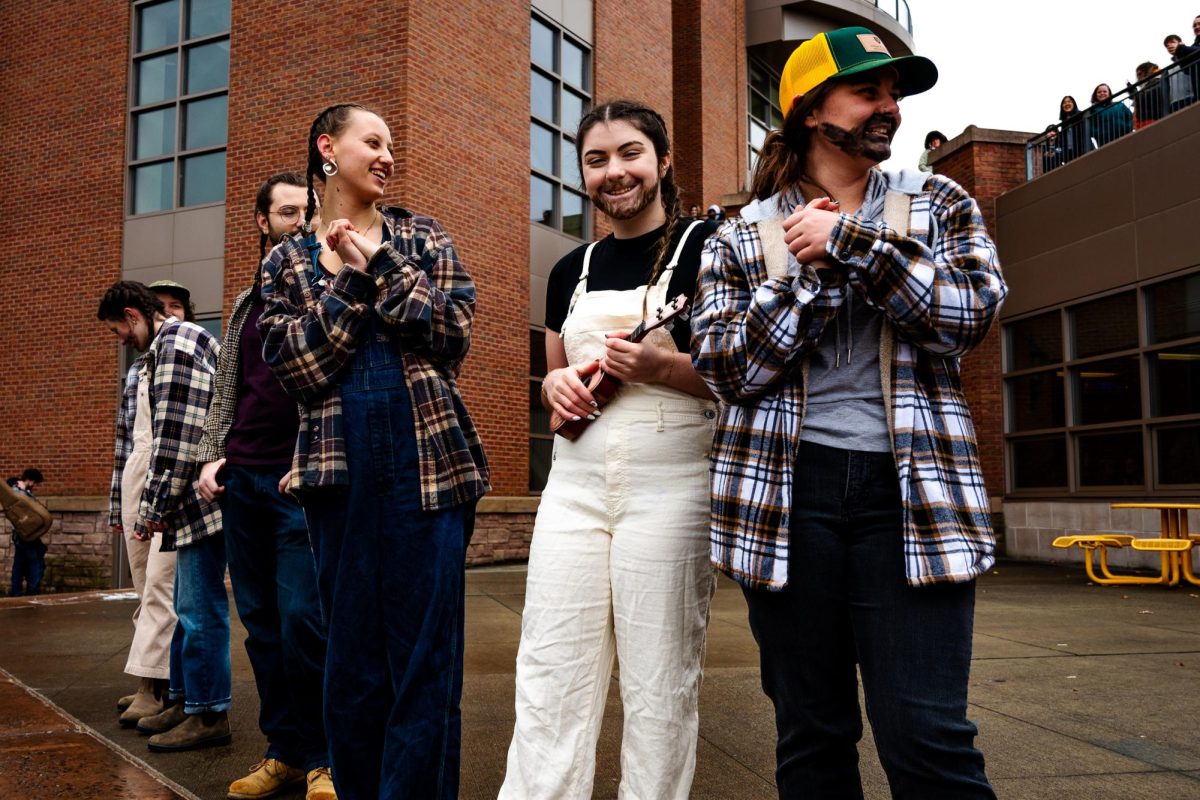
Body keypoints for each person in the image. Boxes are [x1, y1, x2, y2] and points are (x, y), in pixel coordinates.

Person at [691, 26, 1004, 799]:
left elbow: (968, 316)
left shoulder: (939, 202)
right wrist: (808, 275)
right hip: (786, 502)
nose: (889, 108)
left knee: (928, 737)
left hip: (913, 497)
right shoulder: (738, 234)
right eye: (868, 91)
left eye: (893, 93)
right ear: (806, 111)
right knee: (812, 736)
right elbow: (728, 369)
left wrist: (855, 242)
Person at [259, 103, 489, 800]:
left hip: (432, 469)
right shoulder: (287, 262)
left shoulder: (421, 237)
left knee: (426, 663)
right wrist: (355, 282)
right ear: (329, 148)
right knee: (352, 664)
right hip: (338, 477)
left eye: (393, 144)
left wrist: (383, 263)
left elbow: (452, 336)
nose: (388, 155)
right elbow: (298, 368)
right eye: (373, 141)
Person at [499, 100, 719, 800]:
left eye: (629, 153)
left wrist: (660, 369)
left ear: (662, 163)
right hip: (574, 490)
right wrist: (555, 386)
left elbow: (742, 375)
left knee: (659, 681)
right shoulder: (571, 269)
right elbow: (555, 375)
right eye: (596, 160)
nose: (614, 172)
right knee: (549, 668)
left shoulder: (709, 250)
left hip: (672, 487)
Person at [196, 172, 335, 800]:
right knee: (261, 625)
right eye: (286, 212)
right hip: (242, 480)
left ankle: (325, 757)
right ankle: (283, 751)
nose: (299, 221)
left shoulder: (322, 291)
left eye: (306, 212)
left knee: (306, 620)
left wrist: (311, 460)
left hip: (295, 483)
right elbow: (230, 386)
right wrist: (210, 455)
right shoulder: (247, 301)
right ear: (262, 221)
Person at [98, 281, 227, 751]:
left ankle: (188, 701)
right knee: (164, 593)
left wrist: (154, 508)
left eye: (119, 331)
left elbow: (178, 436)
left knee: (180, 598)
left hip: (186, 490)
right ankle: (178, 693)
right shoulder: (148, 360)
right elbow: (128, 443)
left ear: (133, 315)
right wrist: (124, 504)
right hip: (157, 480)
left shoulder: (180, 343)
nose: (121, 341)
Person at [8, 468, 47, 596]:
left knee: (19, 566)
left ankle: (16, 594)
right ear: (30, 480)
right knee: (36, 565)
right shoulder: (20, 493)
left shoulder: (20, 491)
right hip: (27, 535)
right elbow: (26, 510)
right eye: (35, 482)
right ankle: (32, 593)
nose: (35, 486)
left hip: (21, 535)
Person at [1088, 83, 1132, 148]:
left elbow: (1130, 117)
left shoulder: (1120, 105)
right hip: (1105, 143)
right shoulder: (1092, 111)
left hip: (1125, 137)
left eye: (1105, 91)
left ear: (1109, 93)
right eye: (1099, 92)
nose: (1102, 93)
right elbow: (1090, 128)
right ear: (1095, 95)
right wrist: (1101, 134)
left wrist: (1128, 127)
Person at [1165, 34, 1199, 111]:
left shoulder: (1191, 54)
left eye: (1172, 42)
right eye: (1167, 46)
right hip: (1176, 102)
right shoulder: (1169, 68)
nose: (1169, 46)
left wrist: (1183, 48)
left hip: (1191, 97)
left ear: (1180, 43)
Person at [1129, 62, 1165, 129]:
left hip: (1152, 119)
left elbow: (1147, 96)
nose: (1138, 78)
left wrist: (1134, 93)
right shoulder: (1147, 85)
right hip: (1144, 121)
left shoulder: (1157, 81)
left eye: (1139, 74)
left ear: (1147, 71)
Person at [1058, 95, 1085, 163]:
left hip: (1081, 149)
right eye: (1064, 103)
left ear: (1074, 104)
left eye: (1069, 101)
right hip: (1068, 152)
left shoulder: (1080, 115)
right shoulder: (1064, 121)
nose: (1067, 104)